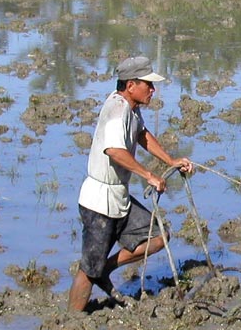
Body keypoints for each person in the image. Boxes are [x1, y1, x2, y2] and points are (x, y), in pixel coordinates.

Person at [68, 56, 193, 312]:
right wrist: (149, 175)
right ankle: (71, 321)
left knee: (159, 235)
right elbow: (114, 150)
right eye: (148, 84)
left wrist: (171, 161)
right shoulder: (117, 109)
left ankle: (107, 268)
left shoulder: (132, 110)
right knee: (89, 269)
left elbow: (142, 135)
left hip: (118, 197)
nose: (152, 90)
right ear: (131, 85)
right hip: (99, 202)